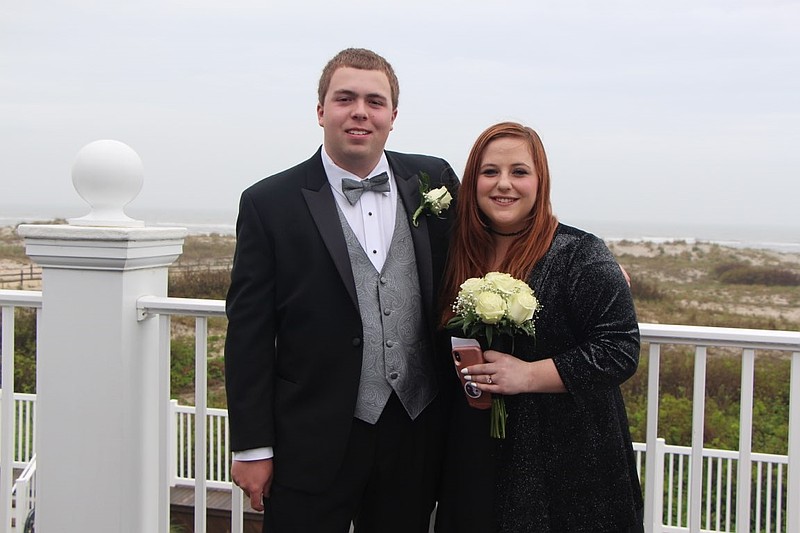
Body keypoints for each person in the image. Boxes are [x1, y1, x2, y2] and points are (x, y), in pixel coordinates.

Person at [224, 48, 459, 533]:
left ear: (393, 115)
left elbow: (491, 241)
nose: (360, 112)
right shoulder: (269, 202)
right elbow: (248, 332)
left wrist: (582, 260)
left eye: (375, 101)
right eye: (344, 98)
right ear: (321, 111)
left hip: (415, 428)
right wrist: (251, 447)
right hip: (311, 434)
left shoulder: (433, 179)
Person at [436, 122, 644, 532]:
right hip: (478, 459)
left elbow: (620, 349)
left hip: (569, 463)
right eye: (490, 171)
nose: (504, 184)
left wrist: (528, 375)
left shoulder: (578, 253)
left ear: (540, 180)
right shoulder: (454, 250)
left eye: (519, 172)